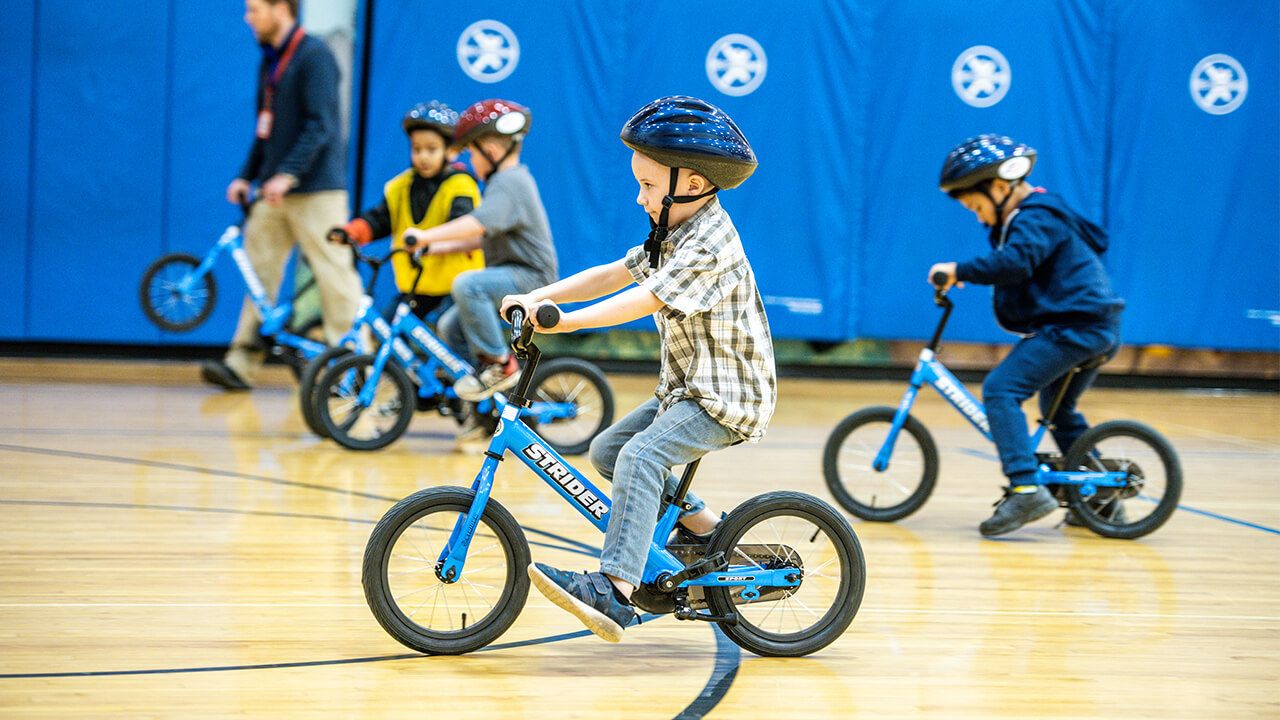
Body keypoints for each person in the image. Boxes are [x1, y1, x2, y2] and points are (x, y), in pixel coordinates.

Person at [500, 96, 777, 642]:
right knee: (607, 452)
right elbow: (612, 275)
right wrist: (538, 297)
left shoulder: (709, 244)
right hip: (687, 389)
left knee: (641, 456)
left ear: (692, 184)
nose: (640, 196)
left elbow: (643, 299)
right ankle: (704, 533)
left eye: (649, 186)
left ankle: (615, 590)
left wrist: (568, 323)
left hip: (725, 397)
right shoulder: (671, 232)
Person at [929, 134, 1125, 537]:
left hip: (1076, 328)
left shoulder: (1036, 216)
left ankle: (1026, 487)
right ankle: (1102, 499)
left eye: (976, 206)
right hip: (1091, 327)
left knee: (1001, 389)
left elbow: (1016, 262)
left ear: (1000, 187)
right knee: (1060, 410)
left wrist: (960, 270)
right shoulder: (1033, 216)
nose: (980, 217)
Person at [201, 0, 363, 391]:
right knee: (259, 276)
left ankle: (357, 370)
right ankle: (241, 364)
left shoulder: (315, 55)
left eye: (254, 9)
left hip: (317, 191)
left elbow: (322, 125)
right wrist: (246, 176)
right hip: (274, 192)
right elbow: (265, 130)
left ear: (281, 9)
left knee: (335, 278)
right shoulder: (271, 60)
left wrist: (288, 174)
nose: (247, 17)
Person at [399, 99, 558, 402]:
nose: (471, 161)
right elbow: (479, 238)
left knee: (468, 284)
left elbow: (476, 224)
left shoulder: (511, 182)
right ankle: (486, 395)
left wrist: (423, 236)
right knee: (450, 325)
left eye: (472, 153)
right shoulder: (505, 182)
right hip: (512, 274)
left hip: (530, 278)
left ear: (492, 153)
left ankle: (500, 365)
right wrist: (435, 247)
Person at [326, 101, 483, 319]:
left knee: (452, 337)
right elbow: (379, 220)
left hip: (454, 284)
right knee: (388, 330)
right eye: (417, 149)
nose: (423, 157)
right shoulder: (400, 186)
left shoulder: (461, 185)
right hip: (415, 285)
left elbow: (462, 226)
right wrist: (351, 232)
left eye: (431, 149)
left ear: (452, 151)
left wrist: (429, 243)